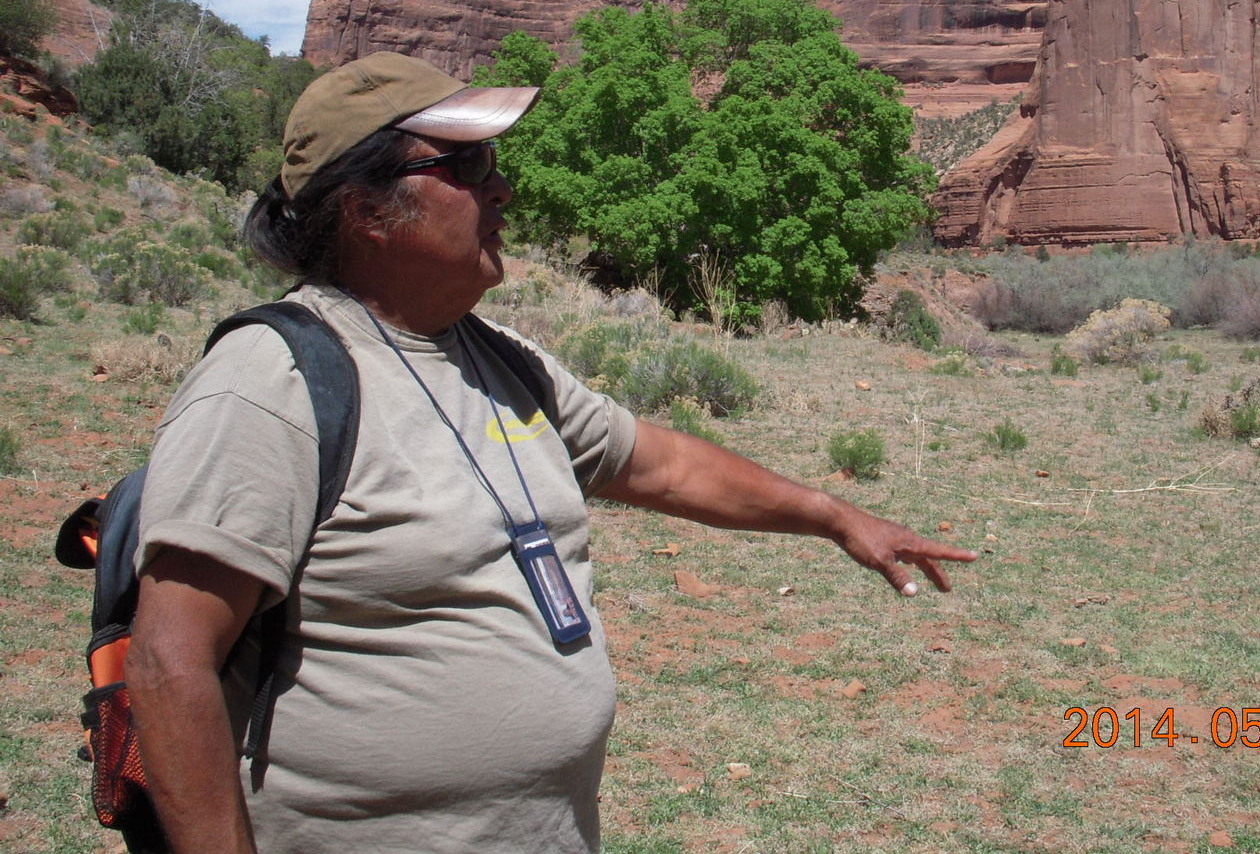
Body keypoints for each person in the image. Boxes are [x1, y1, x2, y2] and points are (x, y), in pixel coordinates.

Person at [124, 51, 975, 854]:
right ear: (367, 211)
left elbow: (662, 466)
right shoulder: (273, 379)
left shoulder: (501, 359)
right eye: (465, 165)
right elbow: (170, 662)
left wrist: (834, 516)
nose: (502, 187)